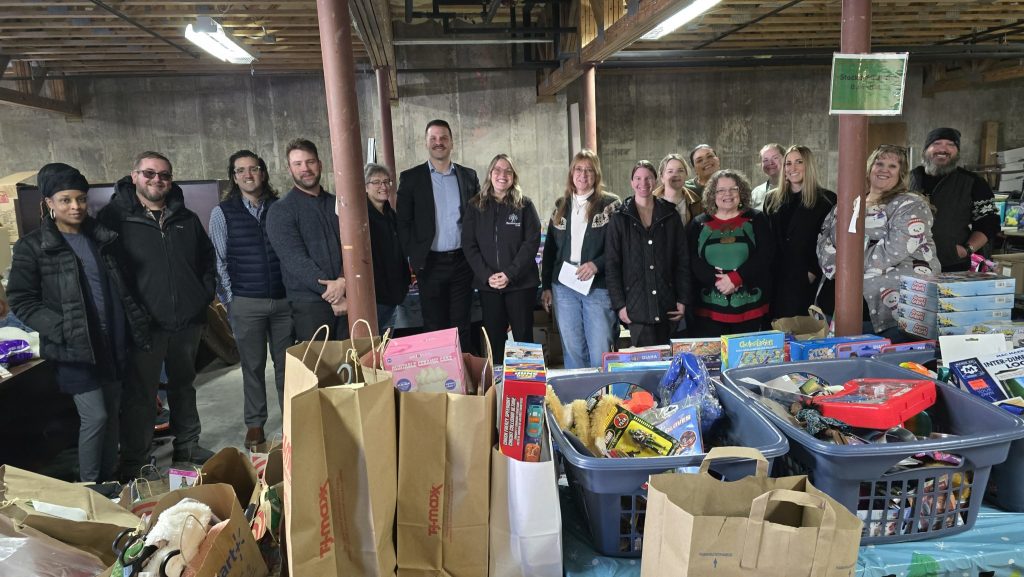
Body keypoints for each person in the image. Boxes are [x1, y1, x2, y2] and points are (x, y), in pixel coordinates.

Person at [8, 163, 151, 483]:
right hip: (74, 347)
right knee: (96, 416)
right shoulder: (33, 247)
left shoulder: (100, 237)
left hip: (111, 341)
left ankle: (109, 478)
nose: (75, 207)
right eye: (65, 200)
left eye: (81, 199)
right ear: (48, 202)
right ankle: (90, 487)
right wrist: (61, 329)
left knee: (112, 415)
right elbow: (21, 299)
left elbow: (118, 287)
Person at [98, 151, 216, 477]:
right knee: (141, 395)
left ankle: (188, 446)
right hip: (143, 326)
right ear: (134, 176)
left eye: (164, 175)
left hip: (185, 322)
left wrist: (201, 296)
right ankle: (135, 460)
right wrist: (131, 313)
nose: (157, 180)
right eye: (149, 174)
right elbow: (109, 271)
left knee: (184, 386)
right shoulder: (114, 220)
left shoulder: (185, 218)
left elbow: (207, 260)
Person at [209, 150, 292, 451]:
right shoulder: (222, 213)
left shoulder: (280, 208)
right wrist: (231, 300)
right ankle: (255, 423)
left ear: (263, 172)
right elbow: (218, 260)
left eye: (253, 169)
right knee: (253, 366)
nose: (248, 175)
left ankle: (293, 420)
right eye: (240, 170)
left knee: (287, 366)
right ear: (233, 177)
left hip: (284, 303)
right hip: (246, 302)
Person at [819, 145, 940, 340]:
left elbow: (892, 251)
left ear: (901, 173)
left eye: (892, 166)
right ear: (869, 168)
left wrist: (846, 267)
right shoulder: (848, 202)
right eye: (879, 163)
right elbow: (824, 241)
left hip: (888, 312)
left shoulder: (910, 204)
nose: (884, 169)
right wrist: (838, 267)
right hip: (835, 305)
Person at [396, 120, 481, 351]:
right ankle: (439, 378)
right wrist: (414, 258)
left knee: (461, 324)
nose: (438, 142)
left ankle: (462, 380)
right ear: (426, 143)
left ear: (452, 142)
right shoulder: (411, 178)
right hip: (429, 264)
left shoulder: (468, 177)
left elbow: (478, 218)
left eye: (443, 138)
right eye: (433, 138)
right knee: (434, 326)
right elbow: (402, 223)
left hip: (462, 262)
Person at [540, 150, 620, 369]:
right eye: (578, 169)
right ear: (571, 173)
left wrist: (597, 265)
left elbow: (620, 247)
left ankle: (603, 399)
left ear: (596, 174)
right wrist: (546, 285)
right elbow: (550, 250)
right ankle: (578, 401)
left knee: (599, 349)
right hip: (564, 286)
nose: (583, 174)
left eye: (589, 170)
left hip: (598, 287)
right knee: (572, 349)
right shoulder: (561, 205)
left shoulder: (610, 205)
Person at [461, 154, 541, 361]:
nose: (502, 175)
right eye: (497, 170)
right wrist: (488, 276)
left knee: (523, 339)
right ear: (490, 173)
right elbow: (469, 245)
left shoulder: (524, 205)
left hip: (521, 284)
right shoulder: (475, 206)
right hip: (490, 287)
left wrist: (509, 273)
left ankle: (526, 387)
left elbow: (531, 243)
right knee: (494, 340)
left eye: (508, 171)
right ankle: (497, 388)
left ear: (514, 176)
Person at [266, 138, 347, 341]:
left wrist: (344, 281)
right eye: (298, 164)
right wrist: (332, 293)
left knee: (353, 365)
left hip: (347, 296)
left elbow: (352, 247)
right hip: (309, 305)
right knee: (318, 369)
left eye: (310, 162)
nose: (306, 169)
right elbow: (295, 260)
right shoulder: (281, 210)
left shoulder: (337, 204)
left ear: (319, 164)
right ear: (289, 169)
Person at [606, 160, 690, 347]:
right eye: (638, 178)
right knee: (646, 364)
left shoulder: (670, 215)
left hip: (667, 304)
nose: (643, 183)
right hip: (636, 308)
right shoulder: (620, 217)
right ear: (631, 182)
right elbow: (612, 265)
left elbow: (682, 261)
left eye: (648, 178)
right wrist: (619, 305)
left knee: (670, 364)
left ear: (656, 181)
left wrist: (683, 299)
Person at [687, 169, 773, 338]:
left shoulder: (757, 219)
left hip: (750, 308)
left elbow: (766, 255)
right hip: (708, 310)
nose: (728, 194)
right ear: (713, 194)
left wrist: (736, 278)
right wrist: (717, 281)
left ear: (741, 192)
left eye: (733, 189)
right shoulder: (698, 224)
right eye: (721, 190)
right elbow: (692, 259)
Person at [909, 127, 1000, 272]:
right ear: (925, 150)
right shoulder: (908, 179)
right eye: (937, 143)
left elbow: (989, 223)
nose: (943, 149)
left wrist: (967, 249)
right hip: (907, 264)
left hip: (952, 266)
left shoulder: (973, 182)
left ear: (957, 152)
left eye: (951, 145)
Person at [763, 145, 836, 320]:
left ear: (808, 165)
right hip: (776, 277)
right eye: (788, 163)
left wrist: (812, 272)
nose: (792, 168)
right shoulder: (772, 198)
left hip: (806, 277)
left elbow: (831, 241)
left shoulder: (826, 200)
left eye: (798, 162)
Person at [365, 162, 410, 332]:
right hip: (376, 296)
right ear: (366, 187)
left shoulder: (391, 214)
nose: (383, 186)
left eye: (386, 182)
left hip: (394, 292)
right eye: (376, 182)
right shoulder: (363, 217)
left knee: (387, 342)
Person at [653, 153, 701, 224]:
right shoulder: (651, 201)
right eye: (670, 171)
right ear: (662, 177)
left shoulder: (696, 203)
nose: (676, 175)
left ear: (686, 174)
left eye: (680, 170)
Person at [750, 143, 784, 211]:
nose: (770, 162)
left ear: (785, 159)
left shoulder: (796, 189)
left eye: (775, 158)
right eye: (765, 160)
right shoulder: (756, 192)